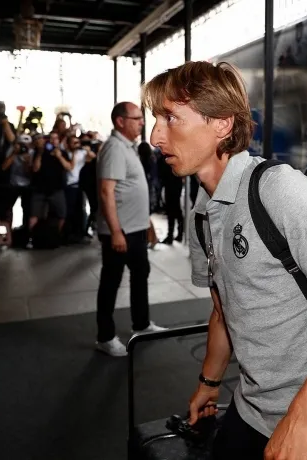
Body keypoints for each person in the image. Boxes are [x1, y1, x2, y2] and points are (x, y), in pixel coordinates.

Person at [145, 61, 307, 459]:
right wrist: (209, 382)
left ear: (222, 124)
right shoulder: (202, 213)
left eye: (170, 117)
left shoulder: (278, 189)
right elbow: (223, 311)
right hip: (252, 408)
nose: (155, 136)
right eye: (156, 119)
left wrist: (302, 417)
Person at [95, 102, 167, 358]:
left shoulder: (128, 147)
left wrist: (146, 223)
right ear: (120, 121)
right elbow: (106, 192)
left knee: (140, 274)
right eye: (137, 118)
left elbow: (133, 191)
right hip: (121, 231)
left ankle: (142, 324)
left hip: (134, 229)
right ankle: (105, 337)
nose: (142, 122)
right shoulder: (114, 148)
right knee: (111, 282)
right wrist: (116, 231)